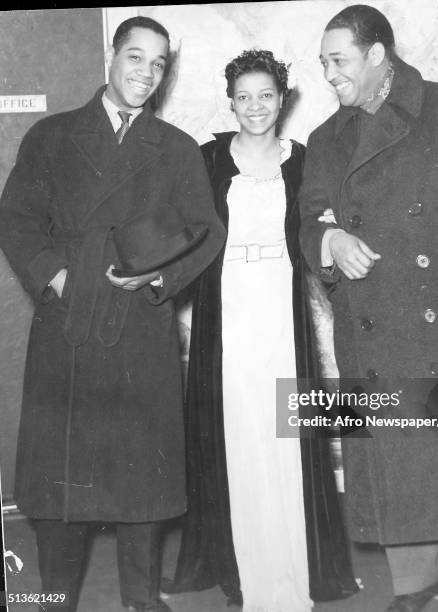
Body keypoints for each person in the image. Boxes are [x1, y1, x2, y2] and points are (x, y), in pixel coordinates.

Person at [299, 5, 438, 612]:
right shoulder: (327, 138)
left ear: (378, 56)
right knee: (398, 463)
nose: (329, 75)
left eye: (339, 61)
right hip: (373, 332)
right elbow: (309, 214)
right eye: (323, 63)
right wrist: (329, 241)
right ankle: (419, 582)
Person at [0, 16, 225, 612]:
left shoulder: (176, 149)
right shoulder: (51, 136)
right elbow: (16, 219)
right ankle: (55, 600)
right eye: (135, 57)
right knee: (61, 485)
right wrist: (57, 276)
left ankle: (141, 600)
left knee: (140, 484)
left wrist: (159, 277)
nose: (146, 74)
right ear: (111, 54)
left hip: (139, 328)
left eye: (157, 64)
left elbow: (207, 233)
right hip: (68, 324)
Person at [161, 50, 358, 611]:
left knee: (287, 430)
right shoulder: (207, 158)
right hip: (228, 310)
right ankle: (245, 571)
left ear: (283, 99)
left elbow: (320, 223)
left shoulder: (303, 160)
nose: (255, 107)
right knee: (239, 433)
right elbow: (184, 234)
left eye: (266, 95)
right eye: (243, 96)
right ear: (230, 101)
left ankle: (298, 567)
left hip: (281, 308)